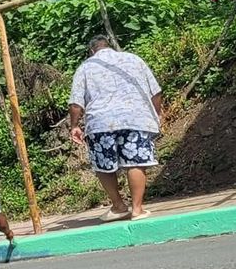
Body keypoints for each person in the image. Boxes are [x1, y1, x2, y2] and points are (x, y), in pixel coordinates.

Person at [68, 35, 165, 221]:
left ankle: (119, 206)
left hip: (100, 123)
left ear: (91, 51)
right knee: (135, 162)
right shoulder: (134, 59)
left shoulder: (85, 67)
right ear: (110, 46)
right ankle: (137, 209)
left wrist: (74, 126)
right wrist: (156, 114)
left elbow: (76, 103)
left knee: (103, 165)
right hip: (135, 118)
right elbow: (156, 91)